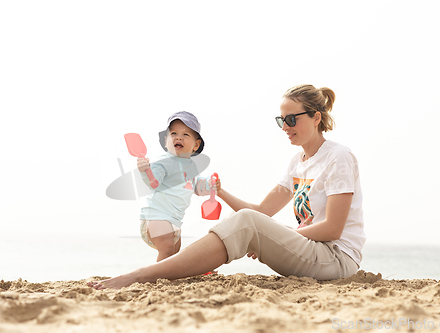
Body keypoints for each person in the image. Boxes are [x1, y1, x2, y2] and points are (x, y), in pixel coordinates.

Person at [88, 84, 366, 290]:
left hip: (335, 258)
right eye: (281, 120)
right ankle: (158, 271)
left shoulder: (338, 157)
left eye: (292, 119)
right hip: (310, 250)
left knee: (246, 222)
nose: (285, 126)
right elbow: (261, 212)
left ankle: (142, 275)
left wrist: (278, 235)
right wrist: (219, 192)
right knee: (244, 220)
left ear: (316, 118)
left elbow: (333, 230)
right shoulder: (297, 162)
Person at [137, 111, 212, 262]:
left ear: (196, 145)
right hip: (156, 217)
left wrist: (210, 184)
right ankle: (157, 276)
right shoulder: (164, 162)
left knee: (174, 255)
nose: (179, 137)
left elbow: (197, 186)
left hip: (175, 222)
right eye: (174, 133)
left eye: (186, 135)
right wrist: (146, 170)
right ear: (166, 141)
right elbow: (154, 182)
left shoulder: (191, 168)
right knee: (167, 249)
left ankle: (176, 275)